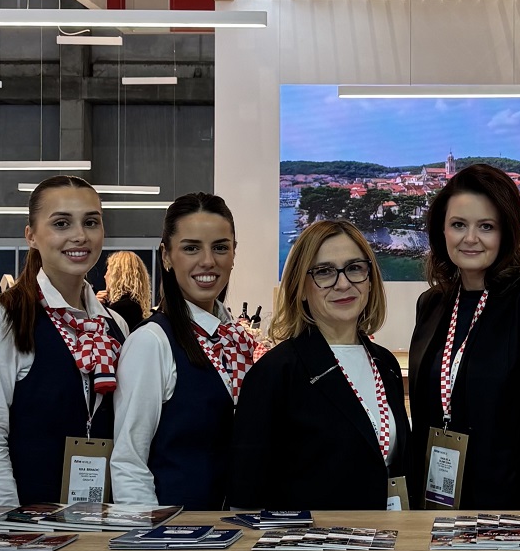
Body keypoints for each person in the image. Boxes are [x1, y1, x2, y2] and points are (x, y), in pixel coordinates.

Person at [407, 163, 520, 509]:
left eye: (486, 226)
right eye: (458, 225)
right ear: (442, 231)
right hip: (435, 502)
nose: (470, 238)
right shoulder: (431, 304)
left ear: (506, 232)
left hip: (509, 509)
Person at [0, 177, 126, 508]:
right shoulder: (4, 317)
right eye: (61, 223)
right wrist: (6, 523)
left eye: (91, 222)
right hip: (30, 521)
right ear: (31, 236)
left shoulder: (114, 325)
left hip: (103, 517)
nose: (80, 235)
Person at [229, 220, 408, 511]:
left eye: (354, 268)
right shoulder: (275, 372)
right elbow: (246, 494)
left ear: (370, 279)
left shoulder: (385, 364)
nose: (343, 283)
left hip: (386, 533)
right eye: (324, 271)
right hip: (309, 538)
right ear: (300, 287)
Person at [113, 196, 262, 509]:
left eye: (220, 247)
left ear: (234, 253)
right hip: (178, 529)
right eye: (191, 248)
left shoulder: (237, 340)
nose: (208, 261)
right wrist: (150, 532)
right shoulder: (151, 342)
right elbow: (129, 461)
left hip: (241, 526)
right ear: (166, 256)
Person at [103, 251, 153, 334]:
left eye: (108, 270)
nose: (105, 276)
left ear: (116, 275)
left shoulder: (121, 309)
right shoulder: (135, 305)